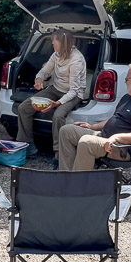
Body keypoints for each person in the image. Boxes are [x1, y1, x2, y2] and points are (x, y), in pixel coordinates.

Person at [57, 62, 131, 171]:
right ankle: (66, 178)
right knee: (66, 131)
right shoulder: (127, 97)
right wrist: (92, 127)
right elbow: (115, 119)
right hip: (105, 137)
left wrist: (116, 138)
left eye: (127, 79)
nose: (125, 82)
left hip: (122, 148)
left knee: (86, 142)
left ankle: (78, 185)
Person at [16, 28, 86, 165]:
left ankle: (59, 154)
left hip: (74, 94)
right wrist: (39, 79)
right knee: (24, 107)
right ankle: (27, 146)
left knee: (58, 116)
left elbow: (73, 90)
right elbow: (45, 70)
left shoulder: (76, 60)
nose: (52, 44)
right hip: (56, 89)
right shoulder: (56, 54)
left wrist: (57, 103)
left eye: (54, 41)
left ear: (62, 43)